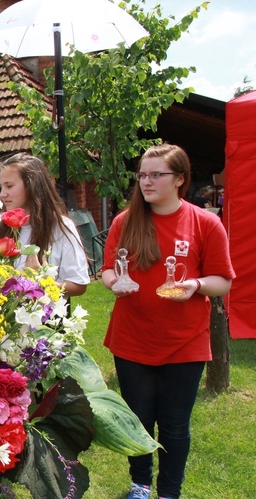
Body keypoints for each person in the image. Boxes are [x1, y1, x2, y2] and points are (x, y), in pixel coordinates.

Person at [101, 144, 234, 499]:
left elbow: (223, 280)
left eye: (156, 175)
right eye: (142, 174)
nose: (146, 181)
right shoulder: (124, 221)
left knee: (175, 425)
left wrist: (195, 284)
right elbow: (109, 271)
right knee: (139, 420)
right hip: (132, 338)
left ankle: (169, 492)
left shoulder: (206, 222)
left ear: (180, 180)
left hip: (185, 341)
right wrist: (116, 283)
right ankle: (140, 485)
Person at [0, 152, 90, 296]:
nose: (2, 194)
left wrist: (43, 283)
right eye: (1, 186)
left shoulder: (60, 226)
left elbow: (78, 284)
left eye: (9, 186)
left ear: (31, 186)